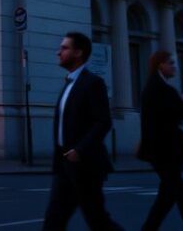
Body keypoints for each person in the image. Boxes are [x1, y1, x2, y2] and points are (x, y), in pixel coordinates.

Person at [42, 31, 126, 231]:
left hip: (85, 165)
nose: (58, 52)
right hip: (64, 164)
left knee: (97, 220)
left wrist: (80, 149)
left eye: (64, 48)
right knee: (54, 221)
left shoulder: (92, 83)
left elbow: (103, 121)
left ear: (78, 53)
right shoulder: (69, 83)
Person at [137, 51, 183, 231]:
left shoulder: (153, 88)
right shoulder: (163, 90)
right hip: (166, 153)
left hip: (161, 153)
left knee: (166, 199)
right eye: (171, 63)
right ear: (160, 65)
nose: (175, 66)